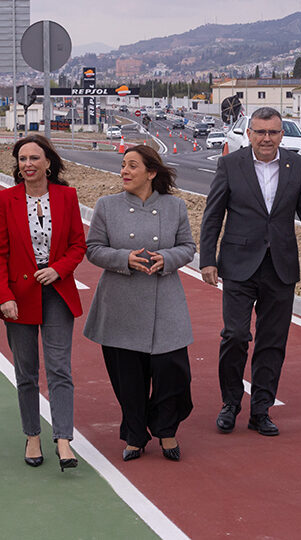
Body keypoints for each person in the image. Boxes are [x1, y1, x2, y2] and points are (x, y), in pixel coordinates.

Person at [199, 107, 301, 437]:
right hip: (239, 264)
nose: (266, 138)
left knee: (273, 341)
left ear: (281, 134)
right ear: (249, 134)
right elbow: (213, 216)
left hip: (281, 266)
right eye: (260, 132)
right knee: (236, 335)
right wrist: (207, 259)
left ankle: (261, 410)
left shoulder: (297, 166)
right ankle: (230, 403)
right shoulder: (230, 165)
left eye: (273, 132)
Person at [84, 145, 195, 461]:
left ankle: (166, 429)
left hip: (166, 301)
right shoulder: (107, 206)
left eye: (132, 166)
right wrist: (125, 258)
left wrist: (167, 258)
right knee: (128, 377)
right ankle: (134, 434)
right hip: (121, 303)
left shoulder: (175, 207)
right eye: (123, 166)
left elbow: (187, 247)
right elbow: (93, 249)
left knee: (172, 372)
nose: (125, 171)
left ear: (151, 172)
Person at [0, 135, 86, 472]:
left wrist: (58, 270)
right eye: (22, 158)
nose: (27, 164)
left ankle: (63, 440)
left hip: (57, 293)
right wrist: (5, 297)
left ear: (48, 162)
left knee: (60, 368)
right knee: (26, 372)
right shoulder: (5, 199)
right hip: (19, 298)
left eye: (34, 158)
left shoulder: (67, 196)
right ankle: (32, 434)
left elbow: (77, 245)